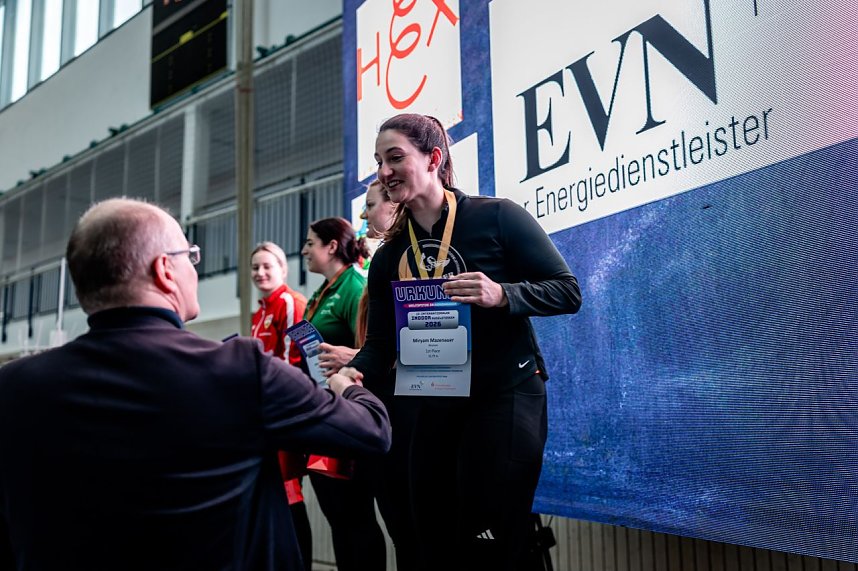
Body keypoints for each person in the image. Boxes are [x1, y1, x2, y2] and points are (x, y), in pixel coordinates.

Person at [0, 198, 391, 571]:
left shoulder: (15, 388)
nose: (195, 268)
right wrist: (345, 383)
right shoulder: (241, 371)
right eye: (190, 257)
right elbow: (371, 432)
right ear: (165, 271)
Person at [341, 113, 582, 570]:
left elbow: (567, 291)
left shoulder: (496, 216)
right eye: (378, 162)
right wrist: (351, 374)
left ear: (433, 159)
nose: (384, 172)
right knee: (430, 535)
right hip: (435, 401)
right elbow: (380, 347)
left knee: (489, 538)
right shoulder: (389, 256)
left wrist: (502, 294)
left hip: (505, 396)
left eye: (395, 158)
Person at [313, 182, 419, 569]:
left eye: (370, 206)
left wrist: (352, 360)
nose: (362, 217)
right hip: (383, 415)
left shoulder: (412, 264)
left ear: (395, 207)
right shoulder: (379, 268)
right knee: (397, 532)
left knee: (411, 532)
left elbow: (431, 348)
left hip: (408, 418)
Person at [300, 217, 386, 571]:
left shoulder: (353, 286)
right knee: (339, 517)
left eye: (310, 243)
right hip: (323, 413)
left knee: (353, 516)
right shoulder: (322, 291)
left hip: (346, 415)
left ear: (331, 246)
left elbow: (371, 349)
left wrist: (347, 365)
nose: (304, 250)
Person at [250, 241, 312, 571]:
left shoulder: (289, 302)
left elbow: (293, 363)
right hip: (264, 415)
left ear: (283, 270)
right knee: (273, 491)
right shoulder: (259, 312)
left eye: (267, 267)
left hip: (283, 413)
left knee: (289, 490)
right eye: (255, 268)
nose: (260, 273)